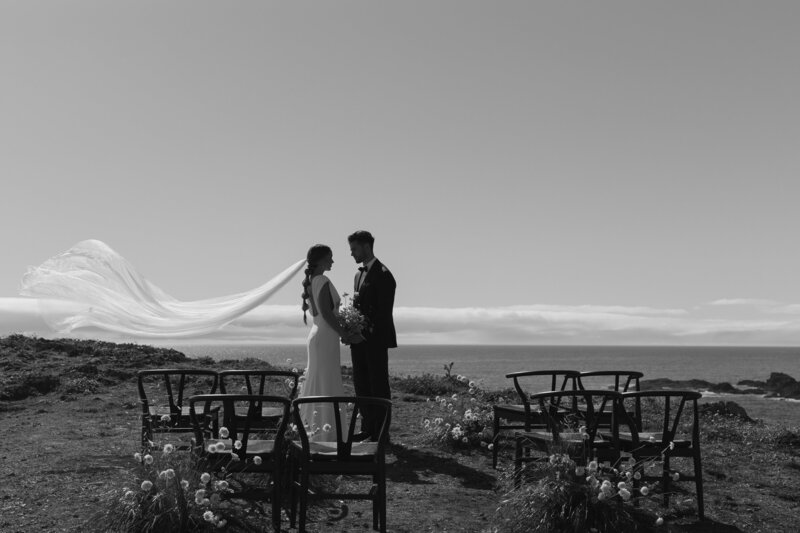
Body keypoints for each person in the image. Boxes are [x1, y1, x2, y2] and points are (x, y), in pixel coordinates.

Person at [298, 244, 356, 441]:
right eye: (330, 258)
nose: (332, 261)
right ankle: (327, 434)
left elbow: (317, 313)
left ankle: (314, 429)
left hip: (318, 334)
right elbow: (325, 312)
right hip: (325, 335)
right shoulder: (322, 279)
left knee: (318, 380)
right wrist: (343, 333)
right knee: (326, 381)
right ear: (321, 260)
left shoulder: (311, 281)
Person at [348, 230, 396, 441]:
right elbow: (358, 309)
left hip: (375, 340)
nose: (352, 254)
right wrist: (351, 330)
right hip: (358, 342)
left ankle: (380, 432)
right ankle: (367, 427)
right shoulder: (358, 275)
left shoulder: (384, 274)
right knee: (361, 384)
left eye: (354, 249)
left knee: (378, 385)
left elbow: (383, 312)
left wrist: (364, 334)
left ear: (366, 247)